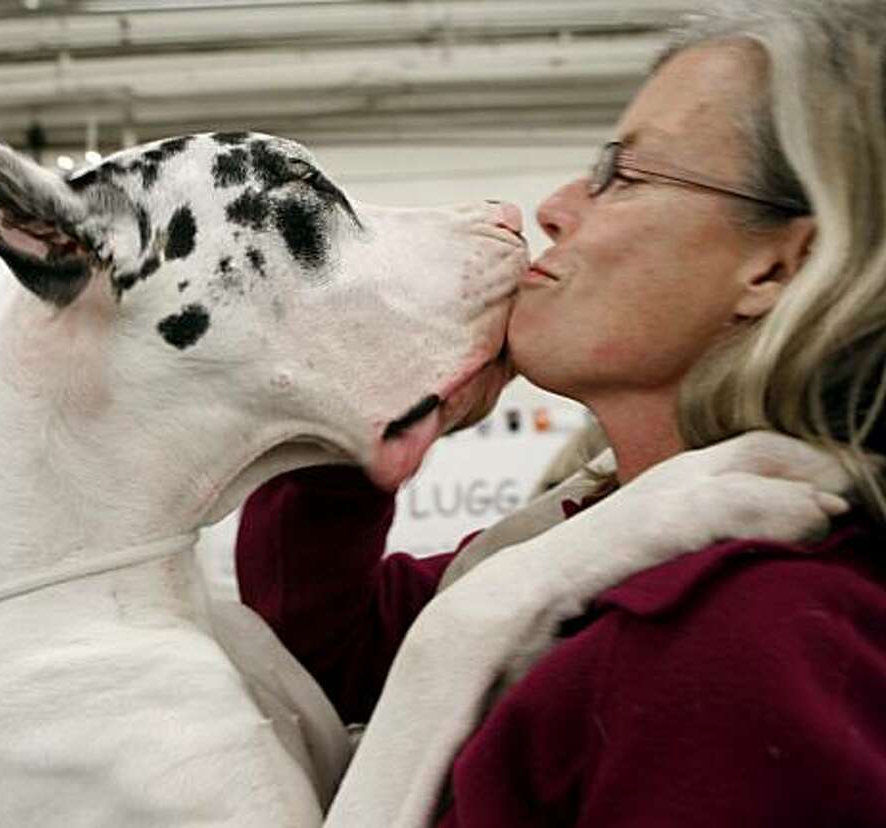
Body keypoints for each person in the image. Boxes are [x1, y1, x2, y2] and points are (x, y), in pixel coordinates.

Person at [236, 1, 886, 824]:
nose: (552, 207)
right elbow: (324, 660)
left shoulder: (751, 641)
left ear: (779, 266)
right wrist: (378, 406)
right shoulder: (590, 540)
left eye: (627, 176)